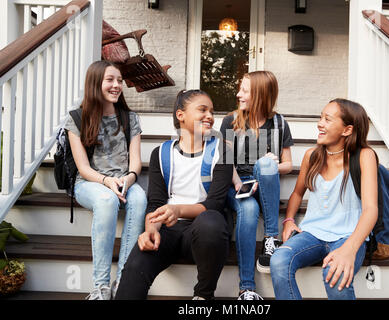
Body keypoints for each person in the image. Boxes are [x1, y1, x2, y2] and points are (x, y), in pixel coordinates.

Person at [115, 89, 233, 300]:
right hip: (167, 229)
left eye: (212, 112)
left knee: (212, 221)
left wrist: (176, 209)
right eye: (202, 110)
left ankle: (203, 296)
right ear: (181, 115)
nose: (210, 116)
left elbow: (214, 203)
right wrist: (151, 229)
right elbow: (156, 202)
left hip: (202, 232)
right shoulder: (161, 153)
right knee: (134, 269)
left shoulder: (221, 151)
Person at [270, 98, 379, 300]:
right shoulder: (312, 156)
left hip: (348, 235)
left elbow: (371, 209)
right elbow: (297, 193)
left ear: (347, 130)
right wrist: (289, 221)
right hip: (313, 233)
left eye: (327, 119)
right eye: (321, 117)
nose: (320, 123)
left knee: (334, 274)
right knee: (278, 260)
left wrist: (349, 249)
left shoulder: (364, 156)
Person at [66, 60, 147, 300]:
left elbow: (136, 163)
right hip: (90, 183)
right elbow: (82, 168)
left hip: (124, 181)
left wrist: (129, 179)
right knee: (106, 201)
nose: (116, 85)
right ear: (95, 83)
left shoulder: (129, 117)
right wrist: (106, 182)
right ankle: (100, 287)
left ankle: (122, 280)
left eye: (119, 80)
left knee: (140, 199)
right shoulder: (77, 118)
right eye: (110, 80)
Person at [219, 71, 293, 300]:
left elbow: (288, 165)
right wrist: (240, 184)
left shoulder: (279, 123)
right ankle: (246, 289)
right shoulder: (231, 120)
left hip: (265, 185)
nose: (238, 94)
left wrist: (270, 165)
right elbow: (225, 161)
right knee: (249, 209)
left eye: (244, 90)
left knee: (266, 163)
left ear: (260, 94)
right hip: (238, 185)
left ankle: (271, 237)